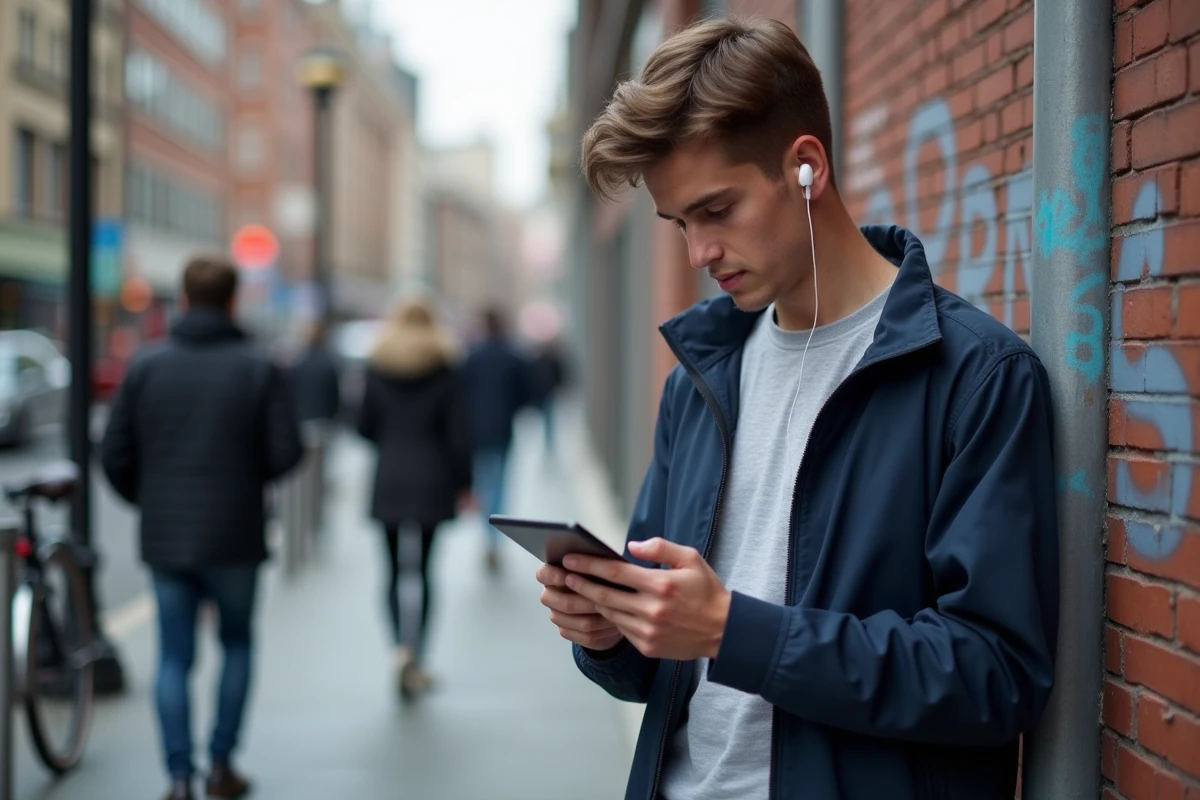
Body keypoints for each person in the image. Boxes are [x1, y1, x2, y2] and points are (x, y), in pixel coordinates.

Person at [536, 17, 1059, 800]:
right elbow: (664, 667)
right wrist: (612, 633)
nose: (697, 254)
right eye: (680, 223)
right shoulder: (699, 384)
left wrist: (731, 630)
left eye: (716, 210)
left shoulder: (976, 376)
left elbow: (995, 674)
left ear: (806, 168)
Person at [101, 255, 304, 800]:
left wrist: (150, 499)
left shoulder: (146, 365)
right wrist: (244, 478)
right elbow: (287, 452)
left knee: (172, 657)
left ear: (184, 300)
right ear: (234, 301)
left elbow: (114, 454)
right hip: (236, 533)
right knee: (235, 644)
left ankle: (177, 775)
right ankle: (222, 765)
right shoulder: (257, 366)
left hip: (167, 536)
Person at [356, 297, 472, 701]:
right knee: (423, 572)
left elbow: (362, 425)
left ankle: (397, 651)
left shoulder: (376, 366)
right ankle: (418, 658)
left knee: (390, 572)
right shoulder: (445, 369)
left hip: (389, 475)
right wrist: (464, 482)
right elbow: (459, 433)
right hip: (432, 477)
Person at [461, 306, 532, 572]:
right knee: (500, 484)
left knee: (483, 483)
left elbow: (461, 394)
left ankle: (487, 538)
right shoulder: (512, 357)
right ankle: (494, 539)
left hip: (477, 431)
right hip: (502, 429)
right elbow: (526, 393)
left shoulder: (472, 357)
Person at [287, 320, 341, 425]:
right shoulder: (328, 362)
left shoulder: (299, 362)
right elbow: (334, 395)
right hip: (323, 417)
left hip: (302, 417)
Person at [528, 337, 568, 453]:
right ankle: (548, 445)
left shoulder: (550, 361)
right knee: (547, 421)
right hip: (544, 395)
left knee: (548, 421)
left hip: (548, 395)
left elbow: (559, 377)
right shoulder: (541, 361)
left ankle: (548, 445)